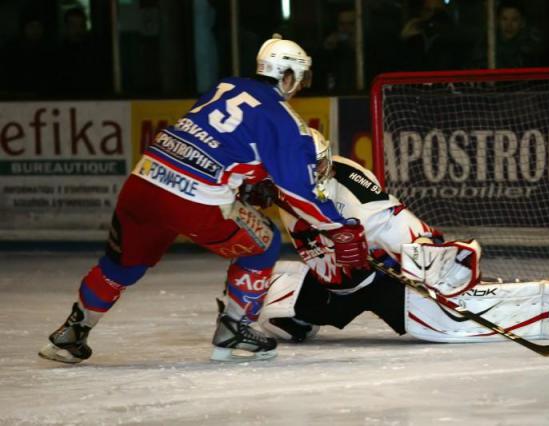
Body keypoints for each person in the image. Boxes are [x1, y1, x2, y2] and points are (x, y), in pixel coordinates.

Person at [38, 35, 369, 364]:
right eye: (301, 78)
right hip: (194, 198)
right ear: (289, 75)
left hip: (144, 181)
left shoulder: (226, 86)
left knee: (123, 264)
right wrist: (338, 225)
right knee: (263, 242)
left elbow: (218, 141)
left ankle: (71, 334)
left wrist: (251, 180)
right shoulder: (282, 118)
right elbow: (299, 190)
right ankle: (234, 328)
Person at [255, 129, 549, 344]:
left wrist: (433, 260)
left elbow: (401, 227)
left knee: (447, 324)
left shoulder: (353, 192)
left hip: (380, 277)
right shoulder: (281, 182)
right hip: (333, 283)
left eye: (318, 168)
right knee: (275, 316)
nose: (311, 177)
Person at [472, 0, 543, 68]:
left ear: (522, 23)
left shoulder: (530, 45)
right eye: (504, 19)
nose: (509, 25)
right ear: (497, 21)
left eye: (515, 20)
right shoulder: (486, 42)